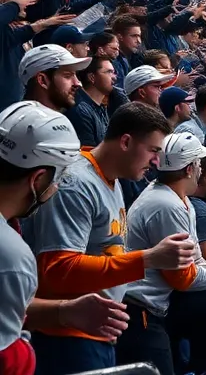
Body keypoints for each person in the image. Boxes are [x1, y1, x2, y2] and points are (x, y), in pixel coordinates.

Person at [22, 103, 194, 375]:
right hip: (65, 337)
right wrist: (148, 258)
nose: (156, 162)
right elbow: (56, 269)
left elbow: (104, 253)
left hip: (96, 331)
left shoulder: (112, 179)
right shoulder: (75, 183)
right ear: (126, 141)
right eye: (153, 150)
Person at [0, 101, 129, 375]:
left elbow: (9, 308)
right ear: (37, 179)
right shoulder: (11, 256)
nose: (58, 187)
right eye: (58, 178)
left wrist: (64, 311)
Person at [117, 133, 206, 375]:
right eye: (201, 164)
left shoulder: (178, 199)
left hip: (161, 303)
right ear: (191, 168)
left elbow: (197, 261)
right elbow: (183, 278)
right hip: (142, 311)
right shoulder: (167, 205)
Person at [66, 56, 116, 149]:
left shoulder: (100, 106)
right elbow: (88, 154)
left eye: (113, 72)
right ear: (92, 77)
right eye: (109, 72)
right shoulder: (80, 110)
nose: (114, 77)